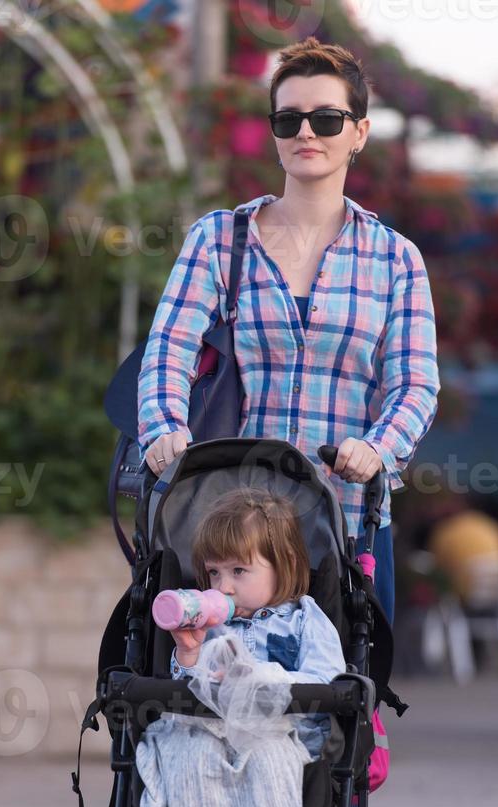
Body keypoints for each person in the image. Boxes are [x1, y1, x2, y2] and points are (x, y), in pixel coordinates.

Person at [137, 36, 440, 626]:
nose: (307, 132)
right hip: (232, 531)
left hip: (347, 523)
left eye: (327, 119)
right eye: (289, 118)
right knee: (214, 696)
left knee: (345, 698)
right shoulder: (220, 239)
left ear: (359, 133)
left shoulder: (395, 259)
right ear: (274, 132)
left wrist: (377, 449)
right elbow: (168, 351)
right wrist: (164, 429)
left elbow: (416, 385)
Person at [135, 489, 346, 807]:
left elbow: (325, 680)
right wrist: (189, 653)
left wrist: (262, 679)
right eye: (213, 572)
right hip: (209, 732)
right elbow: (186, 689)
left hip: (276, 732)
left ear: (284, 564)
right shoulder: (211, 623)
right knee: (186, 756)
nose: (223, 587)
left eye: (238, 571)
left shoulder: (303, 619)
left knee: (272, 760)